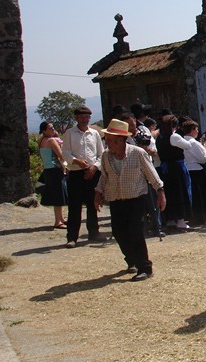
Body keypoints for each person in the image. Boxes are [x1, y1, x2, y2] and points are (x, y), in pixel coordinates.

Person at [94, 119, 166, 281]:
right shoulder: (106, 156)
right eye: (107, 140)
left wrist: (160, 192)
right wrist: (98, 193)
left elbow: (152, 174)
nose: (109, 144)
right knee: (119, 232)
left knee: (135, 231)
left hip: (136, 199)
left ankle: (145, 267)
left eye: (112, 141)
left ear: (122, 140)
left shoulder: (137, 153)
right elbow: (104, 177)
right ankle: (131, 259)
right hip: (116, 199)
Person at [62, 105, 104, 247]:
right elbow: (65, 153)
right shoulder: (70, 133)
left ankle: (94, 232)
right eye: (81, 117)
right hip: (76, 173)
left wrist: (94, 167)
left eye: (87, 117)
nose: (84, 120)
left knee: (93, 203)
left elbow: (101, 154)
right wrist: (76, 161)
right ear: (76, 118)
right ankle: (72, 237)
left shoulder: (94, 134)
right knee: (75, 205)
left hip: (92, 172)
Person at [156, 114, 193, 232]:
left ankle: (170, 220)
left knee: (170, 194)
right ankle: (181, 221)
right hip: (176, 168)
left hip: (165, 169)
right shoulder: (174, 137)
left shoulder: (160, 137)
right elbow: (188, 145)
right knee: (180, 192)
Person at [37, 121, 68, 229]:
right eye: (50, 128)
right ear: (44, 130)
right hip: (55, 169)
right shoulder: (51, 140)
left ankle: (61, 218)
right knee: (59, 195)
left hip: (47, 170)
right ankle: (57, 221)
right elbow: (61, 154)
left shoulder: (41, 140)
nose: (53, 130)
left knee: (57, 194)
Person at [182, 119, 206, 227]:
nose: (198, 131)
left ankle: (192, 216)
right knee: (199, 195)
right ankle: (200, 216)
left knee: (192, 195)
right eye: (196, 129)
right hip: (197, 169)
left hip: (187, 169)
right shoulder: (193, 142)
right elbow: (203, 158)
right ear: (192, 130)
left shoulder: (182, 140)